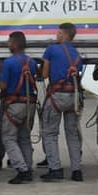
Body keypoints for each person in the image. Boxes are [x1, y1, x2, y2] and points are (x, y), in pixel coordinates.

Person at [41, 22, 84, 182]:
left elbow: (45, 74)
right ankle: (76, 170)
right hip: (73, 96)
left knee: (51, 133)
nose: (56, 35)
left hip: (56, 95)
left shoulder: (51, 49)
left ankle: (55, 168)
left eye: (58, 33)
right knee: (72, 134)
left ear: (64, 34)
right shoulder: (77, 55)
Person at [0, 31, 39, 184]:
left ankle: (22, 169)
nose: (7, 44)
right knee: (24, 137)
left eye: (9, 42)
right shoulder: (32, 62)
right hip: (30, 104)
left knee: (8, 137)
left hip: (14, 105)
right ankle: (28, 167)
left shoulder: (8, 63)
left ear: (14, 45)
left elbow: (3, 86)